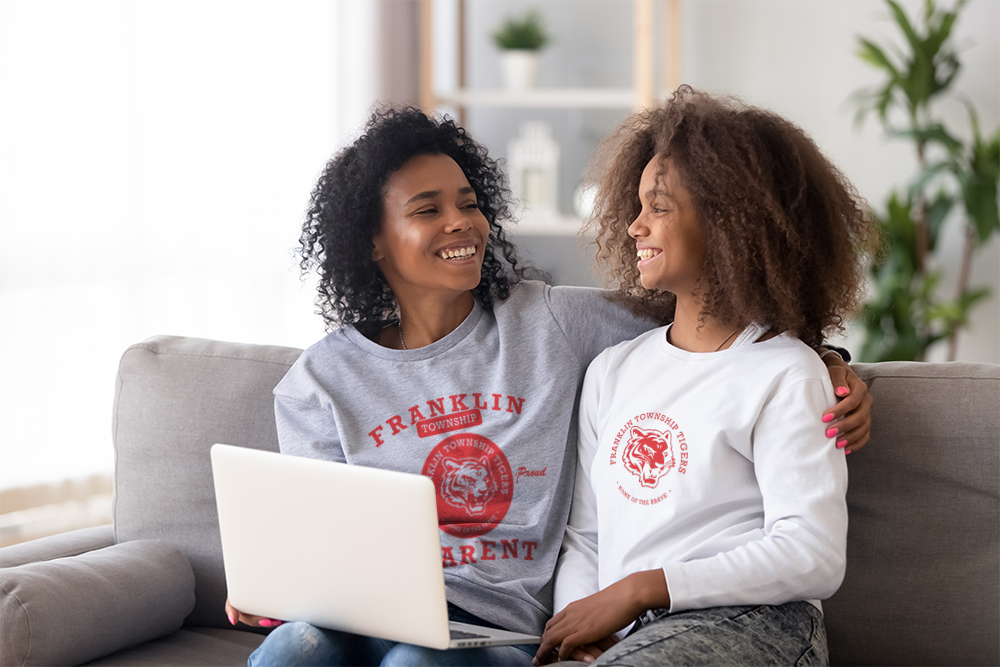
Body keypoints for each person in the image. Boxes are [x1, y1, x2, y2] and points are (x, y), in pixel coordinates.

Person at [225, 106, 872, 667]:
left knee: (418, 661)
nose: (461, 222)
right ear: (371, 243)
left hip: (491, 634)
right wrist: (275, 585)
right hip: (363, 620)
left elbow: (711, 304)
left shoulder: (552, 323)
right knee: (298, 647)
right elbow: (314, 544)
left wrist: (824, 358)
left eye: (470, 203)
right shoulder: (321, 382)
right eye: (428, 209)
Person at [534, 87, 879, 666]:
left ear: (730, 224)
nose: (634, 227)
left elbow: (813, 553)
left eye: (659, 207)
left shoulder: (789, 373)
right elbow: (586, 540)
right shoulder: (612, 371)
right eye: (637, 206)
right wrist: (584, 632)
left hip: (758, 623)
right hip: (636, 636)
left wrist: (643, 588)